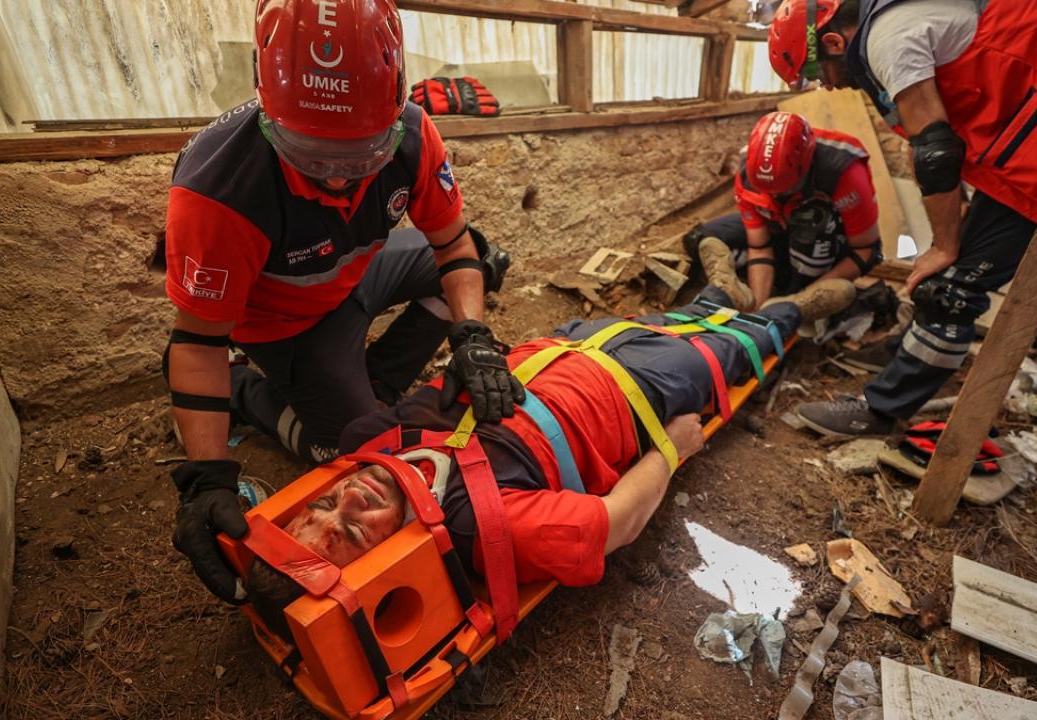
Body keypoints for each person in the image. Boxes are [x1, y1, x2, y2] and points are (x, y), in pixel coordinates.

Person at [244, 279, 859, 638]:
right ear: (385, 563)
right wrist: (673, 447)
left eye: (326, 501)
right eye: (353, 529)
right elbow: (619, 521)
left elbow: (438, 393)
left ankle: (716, 292)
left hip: (568, 344)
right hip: (636, 389)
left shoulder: (369, 441)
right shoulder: (481, 527)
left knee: (675, 317)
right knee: (745, 336)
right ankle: (796, 306)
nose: (353, 495)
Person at [163, 0, 523, 604]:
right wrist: (207, 478)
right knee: (351, 448)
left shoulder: (413, 134)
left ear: (395, 110)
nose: (336, 179)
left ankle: (368, 380)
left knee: (481, 266)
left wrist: (474, 340)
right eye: (310, 155)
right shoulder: (219, 190)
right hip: (287, 325)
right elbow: (198, 338)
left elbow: (455, 247)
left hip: (358, 270)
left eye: (361, 156)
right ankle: (247, 389)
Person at [764, 0, 1037, 437]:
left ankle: (882, 410)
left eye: (820, 75)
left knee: (957, 286)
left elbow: (937, 152)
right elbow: (942, 137)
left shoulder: (889, 40)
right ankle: (906, 347)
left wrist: (945, 244)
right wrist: (953, 222)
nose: (828, 89)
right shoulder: (895, 23)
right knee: (954, 258)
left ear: (833, 42)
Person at [684, 111, 882, 311]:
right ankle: (762, 291)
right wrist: (757, 309)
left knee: (811, 223)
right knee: (703, 237)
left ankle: (800, 298)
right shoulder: (748, 170)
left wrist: (799, 300)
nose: (775, 197)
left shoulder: (842, 170)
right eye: (767, 192)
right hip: (780, 227)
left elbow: (866, 249)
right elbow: (759, 246)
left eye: (783, 190)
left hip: (829, 242)